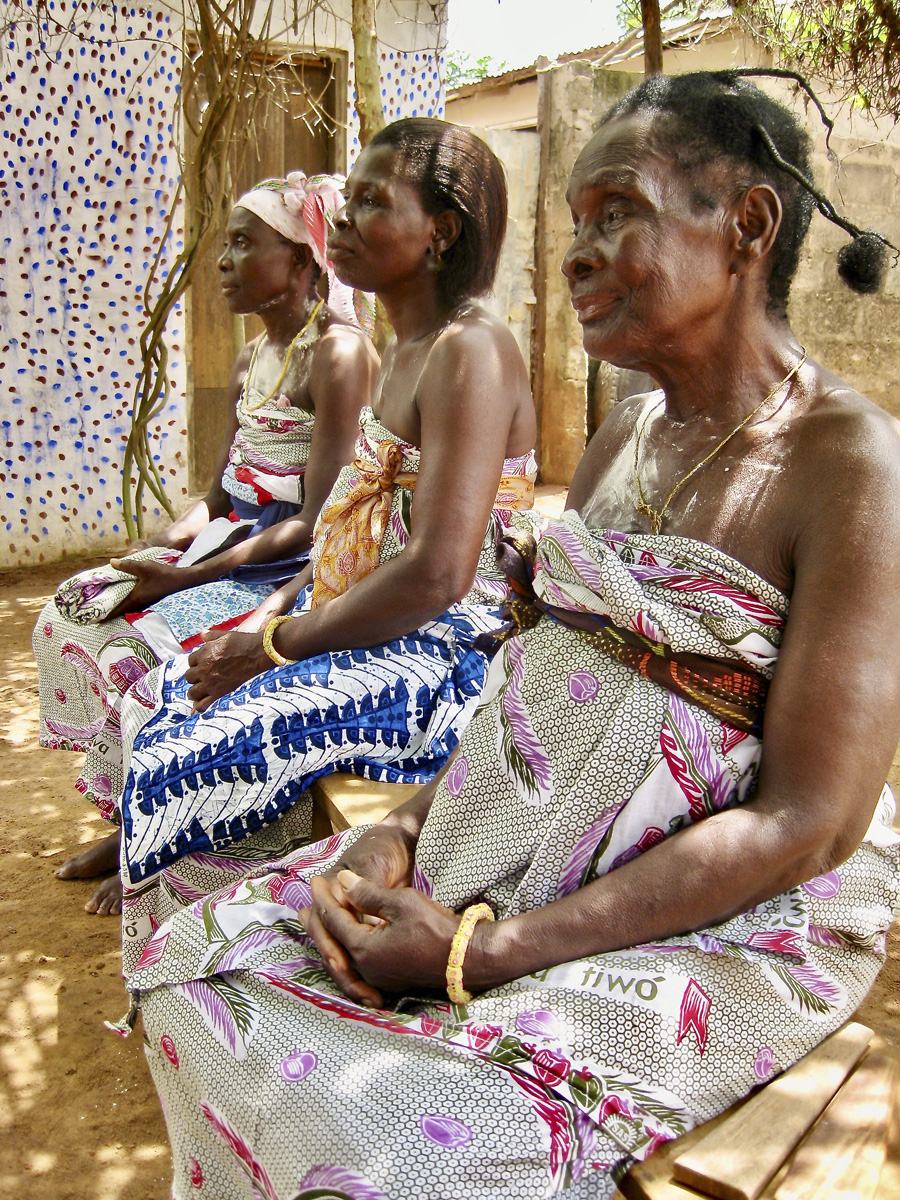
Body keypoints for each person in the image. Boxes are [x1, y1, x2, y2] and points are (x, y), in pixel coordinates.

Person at [117, 74, 900, 1199]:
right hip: (501, 851)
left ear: (747, 224)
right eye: (574, 223)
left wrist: (476, 953)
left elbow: (805, 824)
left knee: (401, 1147)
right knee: (196, 965)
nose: (577, 253)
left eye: (618, 211)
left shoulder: (852, 468)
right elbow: (535, 687)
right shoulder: (624, 435)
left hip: (710, 921)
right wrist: (399, 837)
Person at [114, 118, 538, 933]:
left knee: (198, 753)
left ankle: (225, 948)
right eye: (348, 199)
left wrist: (277, 644)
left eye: (372, 201)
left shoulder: (471, 352)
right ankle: (191, 921)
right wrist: (269, 620)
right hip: (378, 626)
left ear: (440, 232)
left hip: (450, 650)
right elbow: (346, 525)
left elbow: (441, 574)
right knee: (164, 689)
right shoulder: (410, 344)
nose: (341, 217)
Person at [35, 172, 378, 913]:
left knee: (143, 652)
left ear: (300, 260)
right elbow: (220, 492)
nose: (223, 259)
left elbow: (320, 521)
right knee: (76, 611)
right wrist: (168, 544)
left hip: (286, 567)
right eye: (225, 242)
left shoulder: (338, 356)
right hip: (230, 545)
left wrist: (184, 582)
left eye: (244, 242)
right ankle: (125, 815)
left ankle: (159, 842)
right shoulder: (252, 356)